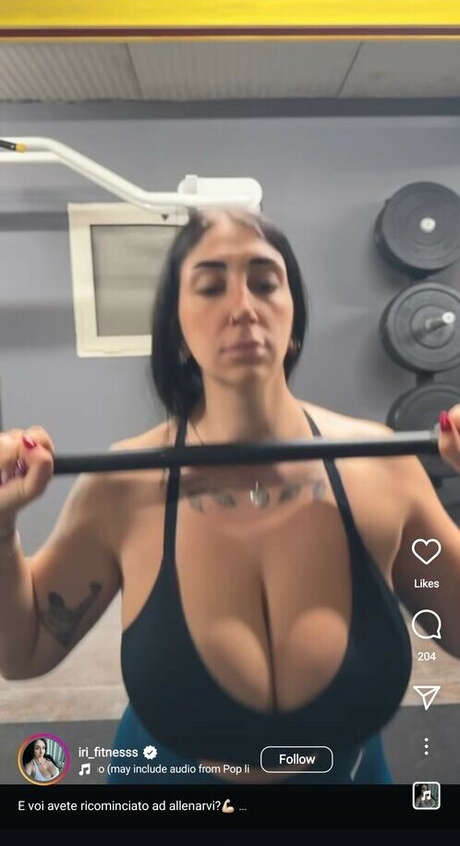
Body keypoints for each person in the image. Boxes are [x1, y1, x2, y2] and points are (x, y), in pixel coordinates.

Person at [1, 206, 460, 786]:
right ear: (177, 332)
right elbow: (26, 651)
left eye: (265, 283)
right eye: (211, 287)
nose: (243, 307)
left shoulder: (381, 466)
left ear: (293, 319)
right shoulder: (122, 488)